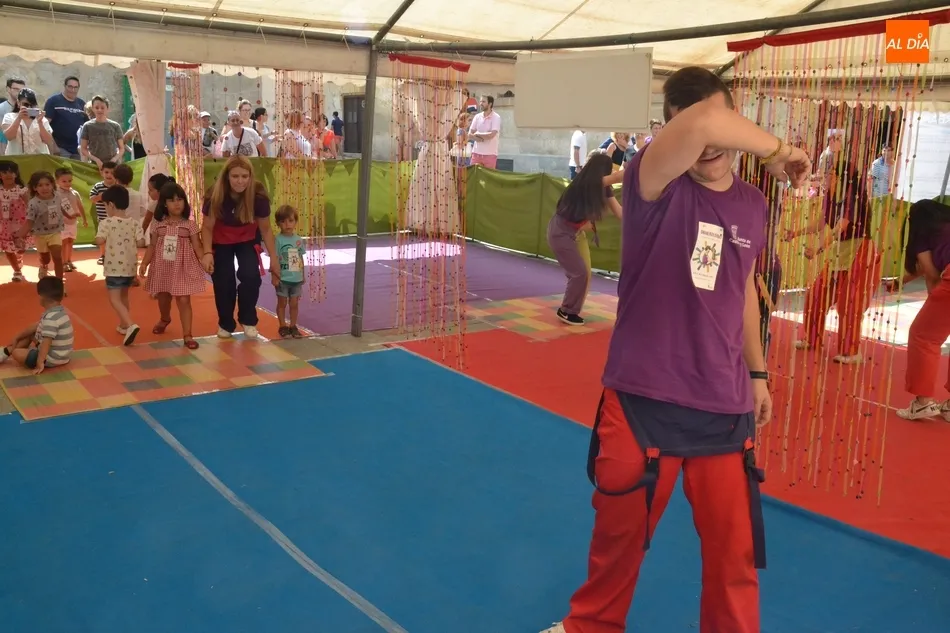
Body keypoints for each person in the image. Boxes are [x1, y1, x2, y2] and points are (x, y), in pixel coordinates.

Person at [539, 66, 811, 633]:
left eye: (721, 120)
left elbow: (742, 289)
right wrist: (781, 150)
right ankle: (589, 626)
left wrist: (758, 373)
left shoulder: (752, 204)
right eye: (687, 125)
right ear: (671, 132)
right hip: (644, 399)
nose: (709, 141)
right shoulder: (653, 181)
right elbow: (705, 122)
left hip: (723, 407)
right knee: (618, 541)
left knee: (735, 555)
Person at [786, 159, 880, 364]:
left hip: (861, 251)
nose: (825, 178)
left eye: (830, 174)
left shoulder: (854, 198)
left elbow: (839, 228)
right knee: (816, 294)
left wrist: (818, 249)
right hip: (841, 252)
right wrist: (796, 233)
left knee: (849, 302)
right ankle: (812, 338)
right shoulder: (830, 197)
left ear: (842, 178)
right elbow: (820, 223)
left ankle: (852, 352)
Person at [200, 155, 279, 339]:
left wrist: (274, 258)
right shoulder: (215, 195)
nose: (240, 181)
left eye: (244, 176)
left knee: (251, 276)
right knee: (223, 281)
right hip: (221, 240)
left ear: (250, 176)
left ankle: (248, 319)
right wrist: (207, 252)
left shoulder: (258, 196)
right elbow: (207, 227)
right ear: (227, 176)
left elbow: (266, 229)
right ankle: (225, 323)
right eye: (235, 176)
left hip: (247, 238)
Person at [886, 200, 950, 420]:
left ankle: (923, 404)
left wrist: (933, 301)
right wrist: (901, 281)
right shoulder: (944, 228)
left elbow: (931, 272)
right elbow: (931, 265)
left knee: (923, 336)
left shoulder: (921, 231)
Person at [547, 152, 622, 325]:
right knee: (579, 273)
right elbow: (617, 177)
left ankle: (571, 309)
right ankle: (567, 310)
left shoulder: (601, 186)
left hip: (573, 232)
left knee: (583, 273)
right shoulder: (586, 183)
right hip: (561, 232)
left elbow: (619, 212)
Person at [140, 181, 206, 350]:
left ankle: (188, 335)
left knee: (184, 299)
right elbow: (152, 246)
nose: (177, 203)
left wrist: (204, 260)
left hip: (183, 267)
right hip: (163, 267)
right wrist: (145, 262)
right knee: (163, 297)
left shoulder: (190, 225)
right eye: (171, 200)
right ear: (164, 204)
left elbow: (197, 246)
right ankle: (165, 318)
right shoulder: (158, 225)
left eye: (180, 199)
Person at [95, 185, 143, 345]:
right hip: (130, 268)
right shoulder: (134, 223)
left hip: (114, 268)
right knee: (124, 296)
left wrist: (97, 239)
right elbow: (141, 242)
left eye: (105, 205)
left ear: (111, 204)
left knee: (114, 299)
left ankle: (130, 324)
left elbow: (100, 240)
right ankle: (123, 325)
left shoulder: (106, 223)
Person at [0, 277, 73, 374]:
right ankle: (5, 351)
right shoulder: (58, 312)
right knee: (31, 333)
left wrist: (40, 362)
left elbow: (47, 342)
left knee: (17, 353)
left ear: (42, 297)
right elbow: (35, 326)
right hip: (61, 354)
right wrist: (17, 337)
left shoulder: (51, 319)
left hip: (53, 358)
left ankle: (8, 352)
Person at [19, 171, 69, 286]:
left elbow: (62, 207)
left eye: (47, 184)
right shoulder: (33, 203)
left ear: (52, 185)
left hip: (55, 232)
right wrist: (20, 235)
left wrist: (70, 215)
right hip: (40, 234)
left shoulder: (57, 196)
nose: (44, 188)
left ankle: (59, 284)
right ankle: (43, 265)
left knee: (57, 257)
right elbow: (29, 221)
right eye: (40, 185)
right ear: (34, 188)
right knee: (45, 258)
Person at [274, 205, 307, 339]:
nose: (287, 224)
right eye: (283, 221)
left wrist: (302, 274)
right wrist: (275, 276)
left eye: (290, 221)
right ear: (278, 223)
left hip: (296, 279)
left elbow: (300, 258)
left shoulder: (298, 240)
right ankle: (282, 326)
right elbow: (275, 259)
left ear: (295, 222)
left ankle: (293, 326)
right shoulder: (278, 240)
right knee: (282, 303)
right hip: (283, 278)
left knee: (294, 303)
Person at [43, 76, 87, 160]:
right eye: (70, 87)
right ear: (65, 86)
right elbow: (45, 125)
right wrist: (54, 146)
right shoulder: (53, 101)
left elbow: (86, 127)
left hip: (77, 150)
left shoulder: (82, 104)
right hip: (60, 148)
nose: (73, 90)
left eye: (75, 87)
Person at [0, 160, 29, 282]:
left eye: (11, 172)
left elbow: (30, 205)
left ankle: (19, 257)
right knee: (8, 249)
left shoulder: (21, 190)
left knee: (20, 247)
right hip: (4, 225)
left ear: (16, 174)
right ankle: (17, 270)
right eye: (4, 172)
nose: (8, 175)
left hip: (20, 225)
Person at [2, 88, 54, 155]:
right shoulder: (9, 117)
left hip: (39, 158)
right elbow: (9, 137)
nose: (29, 107)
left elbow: (48, 141)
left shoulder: (42, 119)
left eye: (32, 105)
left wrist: (40, 123)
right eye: (25, 104)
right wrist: (19, 118)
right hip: (16, 158)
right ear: (18, 103)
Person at [54, 168, 87, 273]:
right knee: (63, 243)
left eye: (70, 181)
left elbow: (80, 206)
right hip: (62, 223)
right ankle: (64, 263)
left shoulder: (74, 193)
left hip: (73, 223)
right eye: (64, 181)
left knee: (70, 241)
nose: (67, 183)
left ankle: (69, 261)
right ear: (57, 181)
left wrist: (84, 219)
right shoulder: (56, 194)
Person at [79, 95, 125, 167]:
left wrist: (114, 159)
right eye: (97, 108)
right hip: (95, 165)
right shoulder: (87, 126)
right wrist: (96, 160)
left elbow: (121, 148)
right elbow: (83, 149)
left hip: (113, 165)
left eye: (102, 108)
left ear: (108, 109)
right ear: (93, 108)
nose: (99, 110)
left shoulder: (115, 126)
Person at [89, 161, 118, 265]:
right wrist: (100, 197)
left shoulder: (118, 187)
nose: (109, 175)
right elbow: (92, 199)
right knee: (102, 238)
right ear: (101, 173)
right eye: (106, 172)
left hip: (116, 219)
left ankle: (115, 255)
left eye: (112, 173)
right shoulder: (98, 186)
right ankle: (103, 255)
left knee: (115, 238)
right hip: (102, 219)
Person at [467, 95, 501, 169]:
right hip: (476, 154)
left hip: (490, 155)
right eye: (480, 101)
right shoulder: (477, 117)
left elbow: (491, 135)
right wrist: (478, 139)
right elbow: (469, 134)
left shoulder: (496, 117)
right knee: (473, 175)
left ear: (490, 104)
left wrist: (477, 134)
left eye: (483, 101)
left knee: (488, 176)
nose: (481, 103)